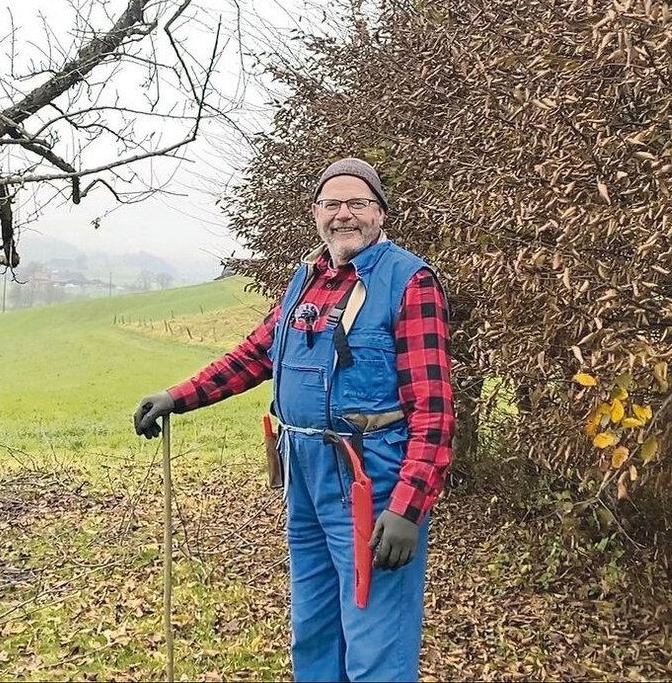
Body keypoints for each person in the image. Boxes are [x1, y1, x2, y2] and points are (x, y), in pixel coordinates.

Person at [133, 157, 455, 683]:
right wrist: (178, 396)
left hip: (368, 482)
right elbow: (258, 354)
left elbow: (434, 410)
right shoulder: (306, 280)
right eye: (332, 204)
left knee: (376, 645)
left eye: (357, 203)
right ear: (316, 213)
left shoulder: (409, 282)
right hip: (302, 474)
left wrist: (409, 508)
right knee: (314, 629)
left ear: (380, 213)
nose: (344, 215)